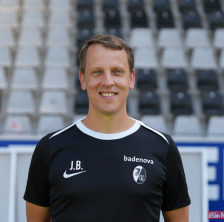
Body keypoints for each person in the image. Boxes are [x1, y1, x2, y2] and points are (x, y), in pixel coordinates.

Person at [24, 34, 191, 222]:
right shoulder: (50, 147)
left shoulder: (162, 146)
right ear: (83, 79)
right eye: (97, 72)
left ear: (131, 78)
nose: (108, 81)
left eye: (117, 71)